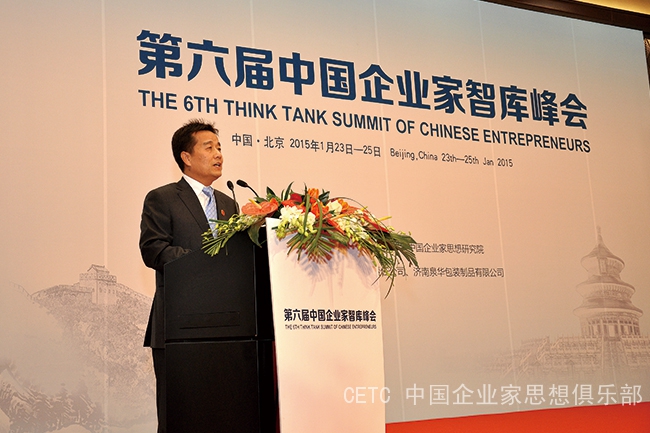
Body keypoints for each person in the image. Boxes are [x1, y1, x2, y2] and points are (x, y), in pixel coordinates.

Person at [139, 119, 237, 433]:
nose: (218, 154)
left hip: (226, 328)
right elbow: (153, 250)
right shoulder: (163, 198)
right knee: (180, 416)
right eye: (209, 148)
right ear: (186, 157)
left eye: (219, 147)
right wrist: (204, 261)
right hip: (178, 326)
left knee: (222, 414)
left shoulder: (229, 203)